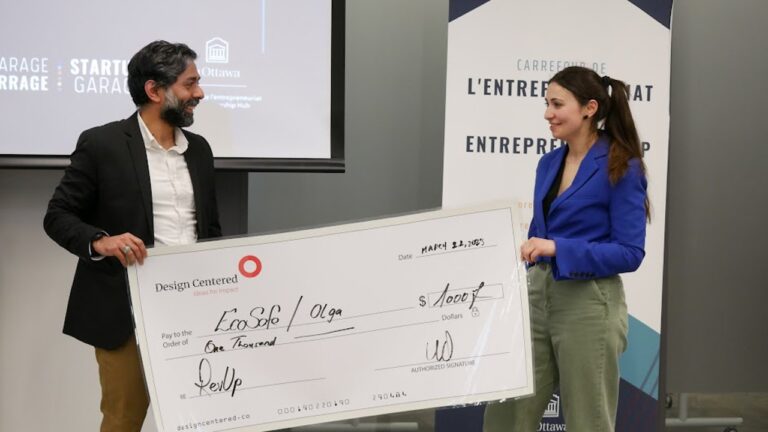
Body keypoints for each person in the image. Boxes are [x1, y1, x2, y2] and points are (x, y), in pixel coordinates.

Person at [44, 40, 221, 432]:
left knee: (203, 417)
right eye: (190, 84)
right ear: (155, 91)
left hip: (193, 305)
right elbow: (58, 216)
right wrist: (100, 241)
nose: (199, 93)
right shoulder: (102, 144)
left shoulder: (201, 151)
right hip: (123, 308)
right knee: (124, 417)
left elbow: (209, 231)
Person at [483, 66, 649, 432]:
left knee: (587, 421)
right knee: (506, 415)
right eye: (546, 103)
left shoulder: (624, 165)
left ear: (589, 108)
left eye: (557, 104)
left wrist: (558, 248)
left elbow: (630, 252)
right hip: (537, 299)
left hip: (589, 305)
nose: (547, 113)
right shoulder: (548, 163)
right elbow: (539, 233)